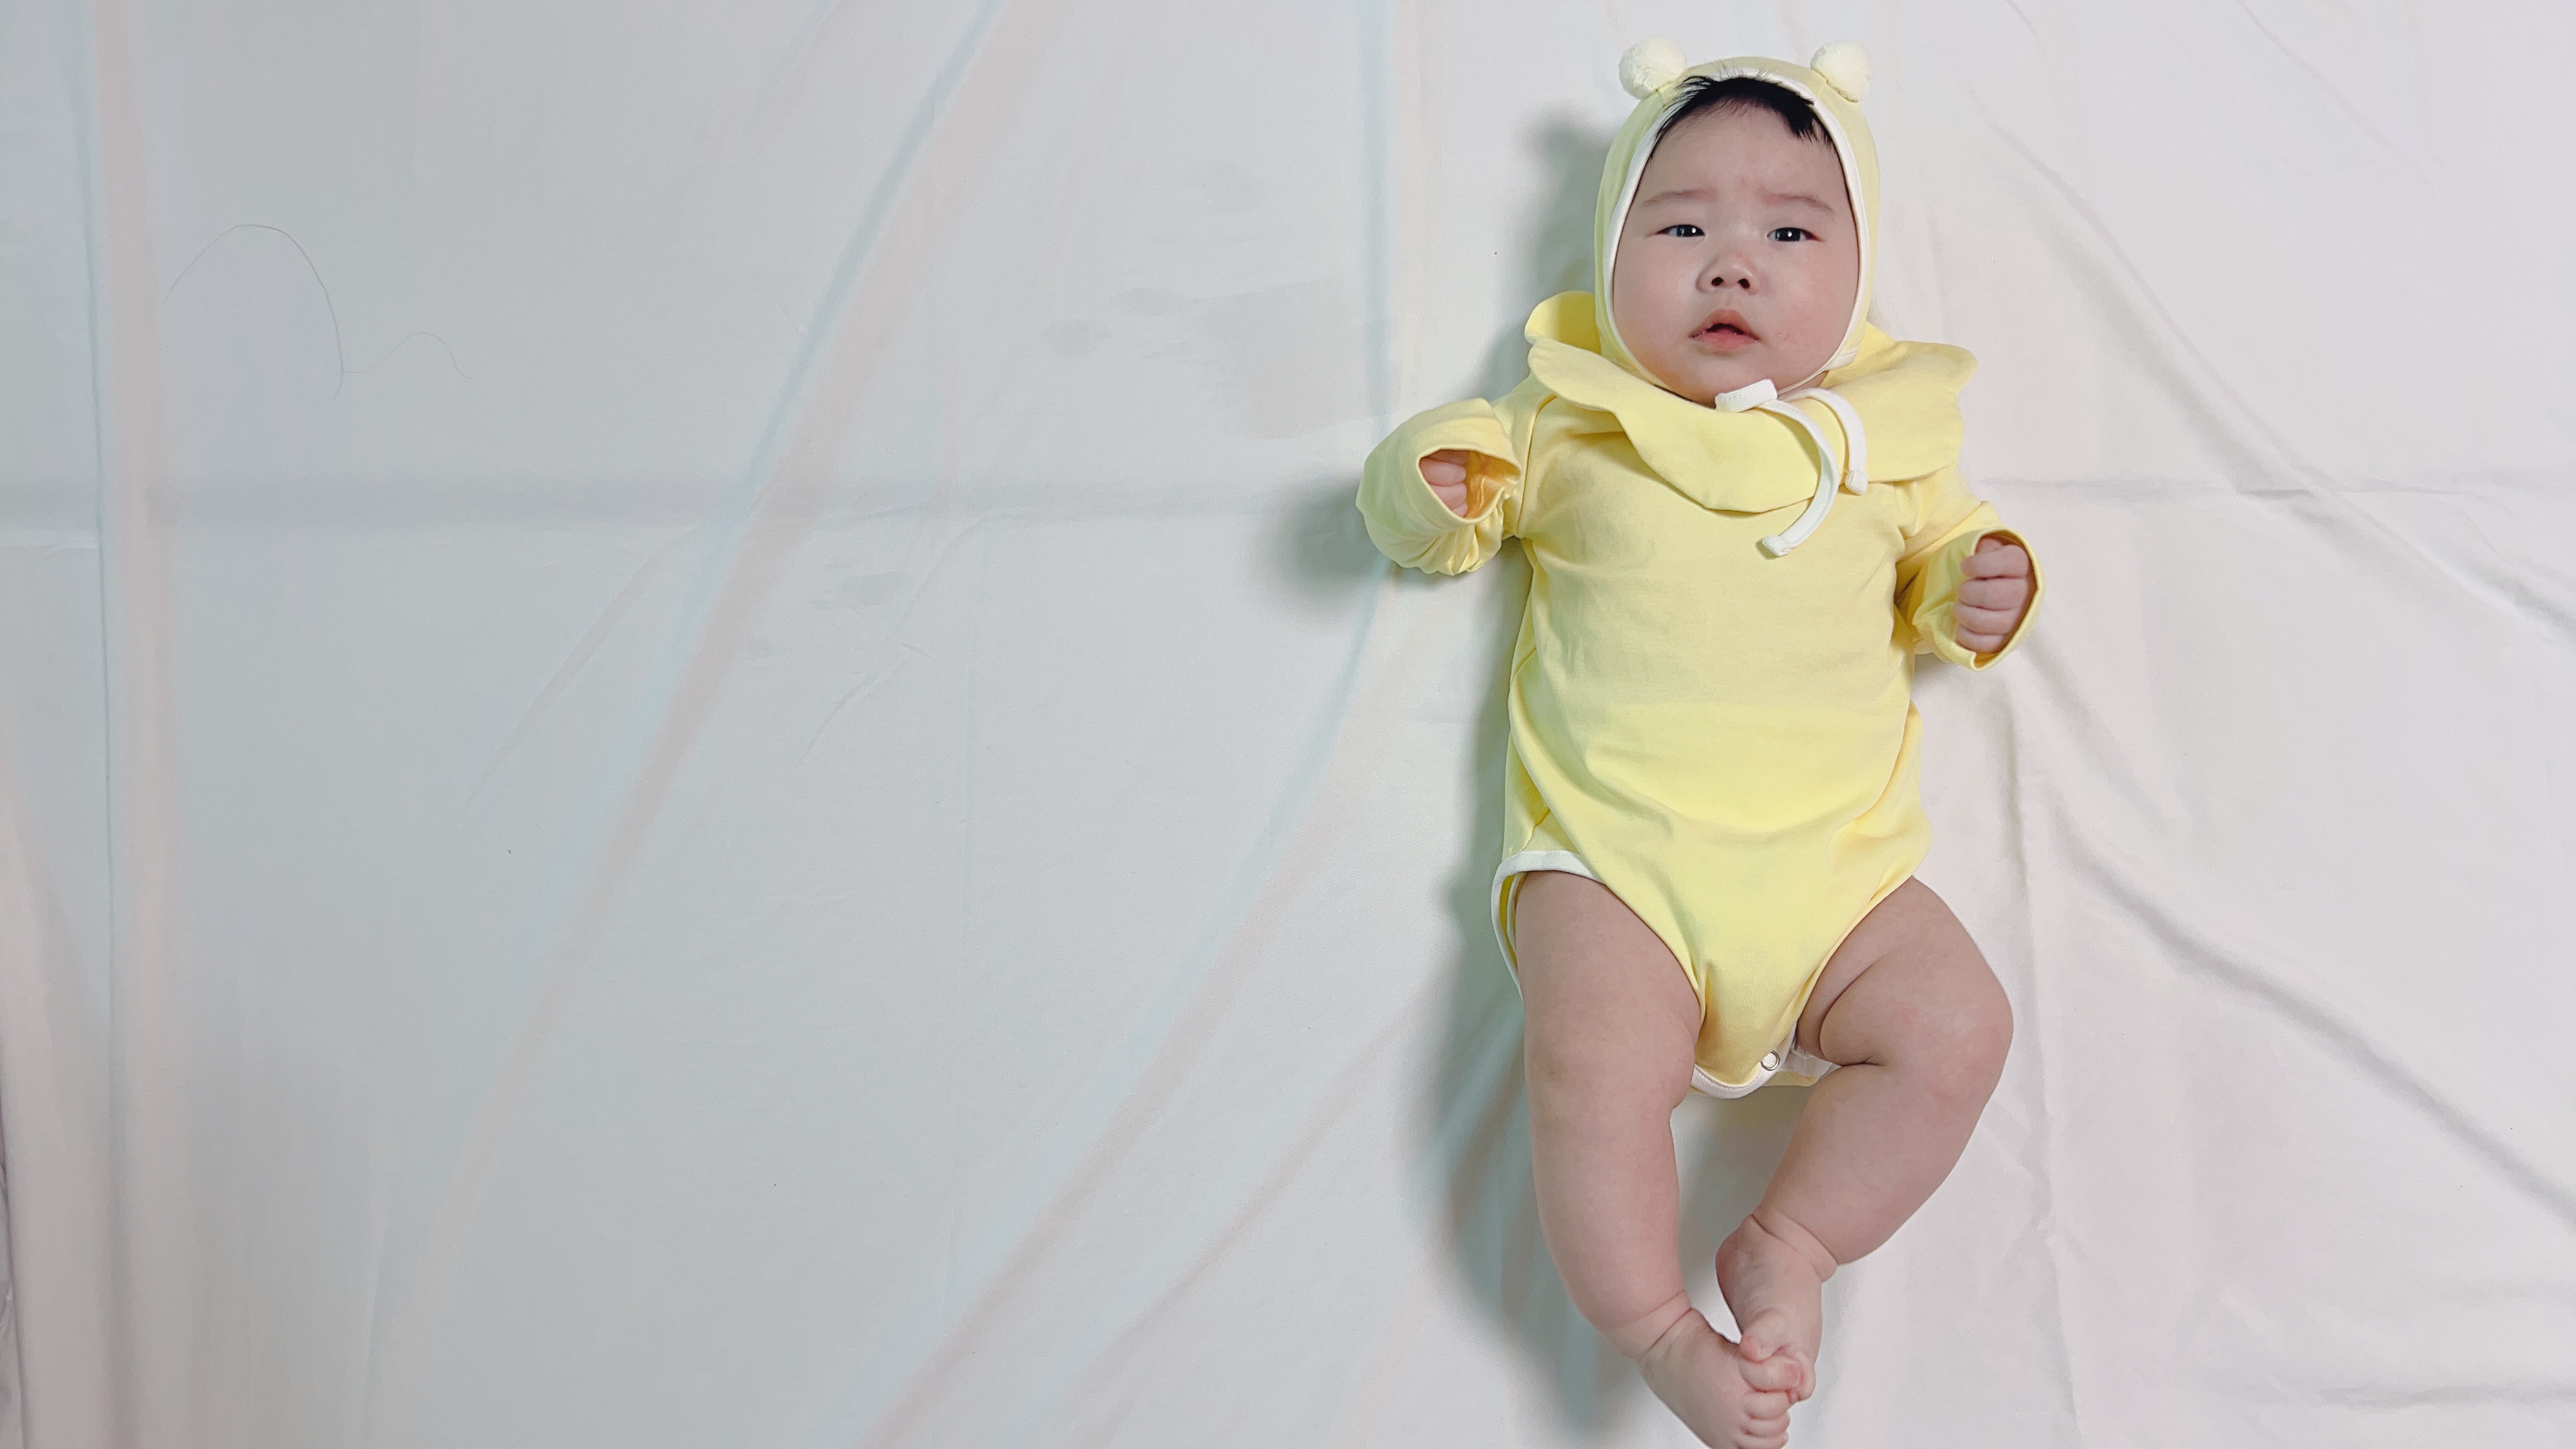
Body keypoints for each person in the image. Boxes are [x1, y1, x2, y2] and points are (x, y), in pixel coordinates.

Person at [1355, 40, 2041, 1448]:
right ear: (1613, 256)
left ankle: (1793, 1240)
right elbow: (1433, 522)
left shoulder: (1885, 445)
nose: (1732, 265)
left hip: (1839, 882)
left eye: (1791, 234)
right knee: (1591, 1073)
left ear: (1859, 273)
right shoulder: (1573, 421)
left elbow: (1945, 569)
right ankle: (1656, 1330)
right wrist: (1432, 485)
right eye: (1679, 231)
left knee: (1960, 1027)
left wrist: (1982, 587)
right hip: (1621, 867)